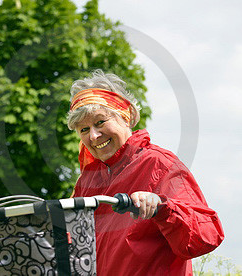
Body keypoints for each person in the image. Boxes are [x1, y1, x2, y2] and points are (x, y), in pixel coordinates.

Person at [67, 70, 224, 275]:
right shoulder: (87, 181)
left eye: (100, 122)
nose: (94, 136)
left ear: (127, 116)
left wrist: (163, 208)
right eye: (84, 130)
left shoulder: (160, 164)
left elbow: (208, 235)